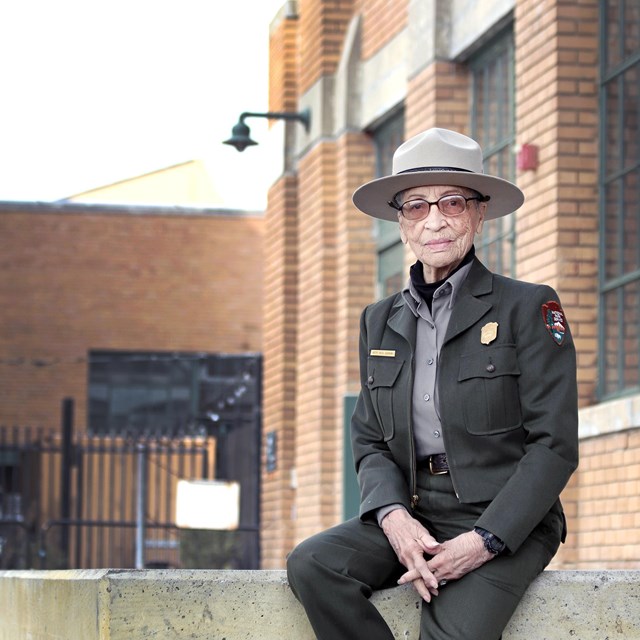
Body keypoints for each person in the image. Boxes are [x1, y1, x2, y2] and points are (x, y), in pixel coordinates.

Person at [286, 128, 579, 640]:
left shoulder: (527, 307)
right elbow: (371, 440)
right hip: (417, 513)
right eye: (417, 207)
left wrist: (484, 539)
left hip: (507, 518)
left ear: (479, 213)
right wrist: (394, 518)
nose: (436, 221)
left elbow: (554, 446)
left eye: (452, 203)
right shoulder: (378, 321)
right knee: (315, 564)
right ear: (401, 223)